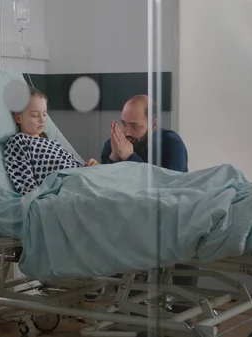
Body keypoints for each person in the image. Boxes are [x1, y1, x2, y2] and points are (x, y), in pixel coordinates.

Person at [100, 94, 197, 313]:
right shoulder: (114, 144)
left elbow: (171, 187)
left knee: (188, 233)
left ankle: (184, 313)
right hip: (131, 220)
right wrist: (114, 159)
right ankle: (133, 311)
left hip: (172, 217)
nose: (127, 132)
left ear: (153, 124)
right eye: (124, 124)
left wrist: (131, 158)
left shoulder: (171, 143)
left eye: (135, 126)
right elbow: (104, 190)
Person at [3, 88, 99, 195]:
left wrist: (89, 166)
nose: (42, 120)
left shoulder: (51, 143)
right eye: (35, 115)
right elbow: (26, 185)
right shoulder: (19, 142)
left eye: (44, 114)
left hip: (80, 176)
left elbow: (73, 164)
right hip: (66, 186)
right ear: (18, 118)